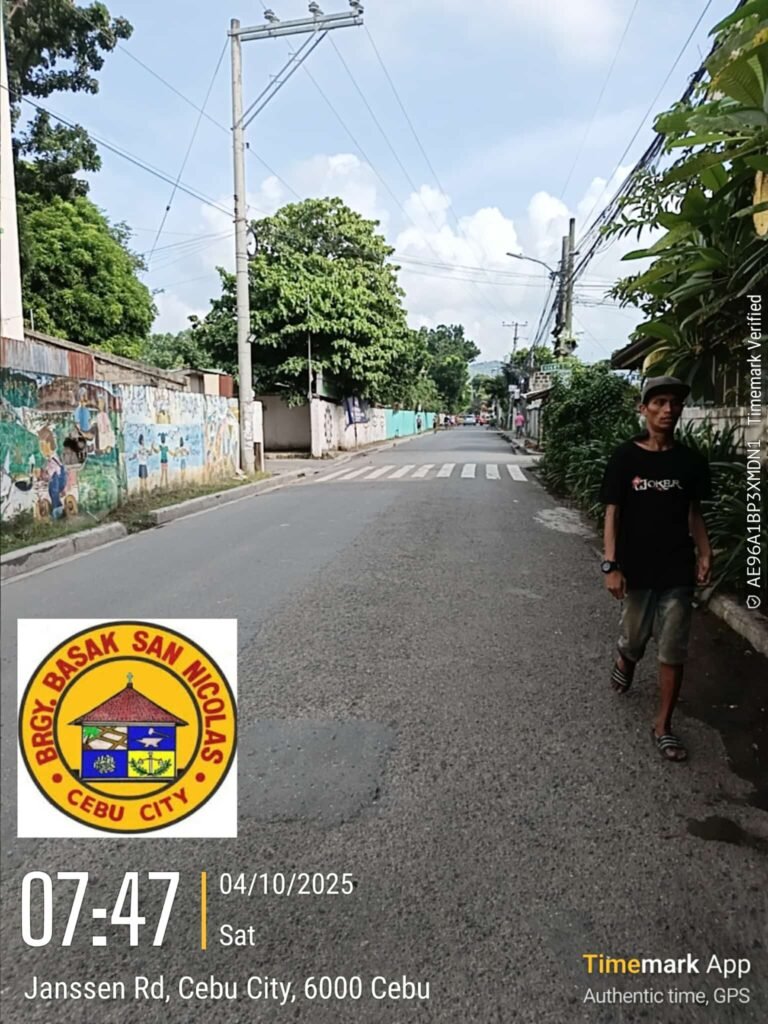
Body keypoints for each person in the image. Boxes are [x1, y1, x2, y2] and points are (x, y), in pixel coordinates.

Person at [599, 376, 712, 763]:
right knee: (635, 636)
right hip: (635, 567)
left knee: (673, 647)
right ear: (643, 408)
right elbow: (612, 513)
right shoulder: (625, 457)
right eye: (659, 402)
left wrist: (704, 552)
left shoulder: (691, 462)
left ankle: (663, 725)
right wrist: (611, 564)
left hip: (676, 566)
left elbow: (694, 513)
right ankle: (626, 658)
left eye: (674, 403)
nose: (668, 410)